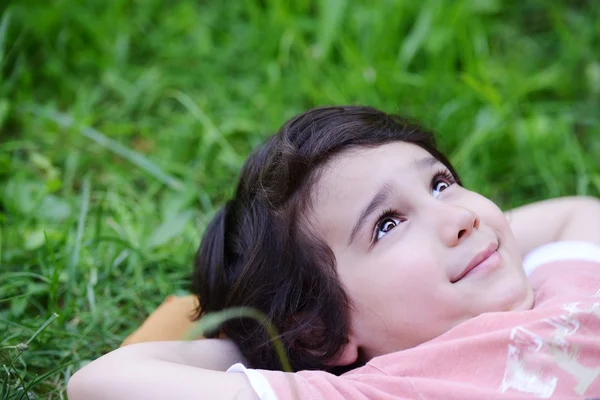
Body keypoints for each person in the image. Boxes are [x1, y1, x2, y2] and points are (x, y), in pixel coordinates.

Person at [67, 106, 600, 399]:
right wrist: (274, 345)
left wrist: (482, 236)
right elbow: (99, 383)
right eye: (388, 224)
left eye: (440, 184)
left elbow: (575, 212)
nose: (461, 218)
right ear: (320, 331)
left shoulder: (567, 277)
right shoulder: (387, 391)